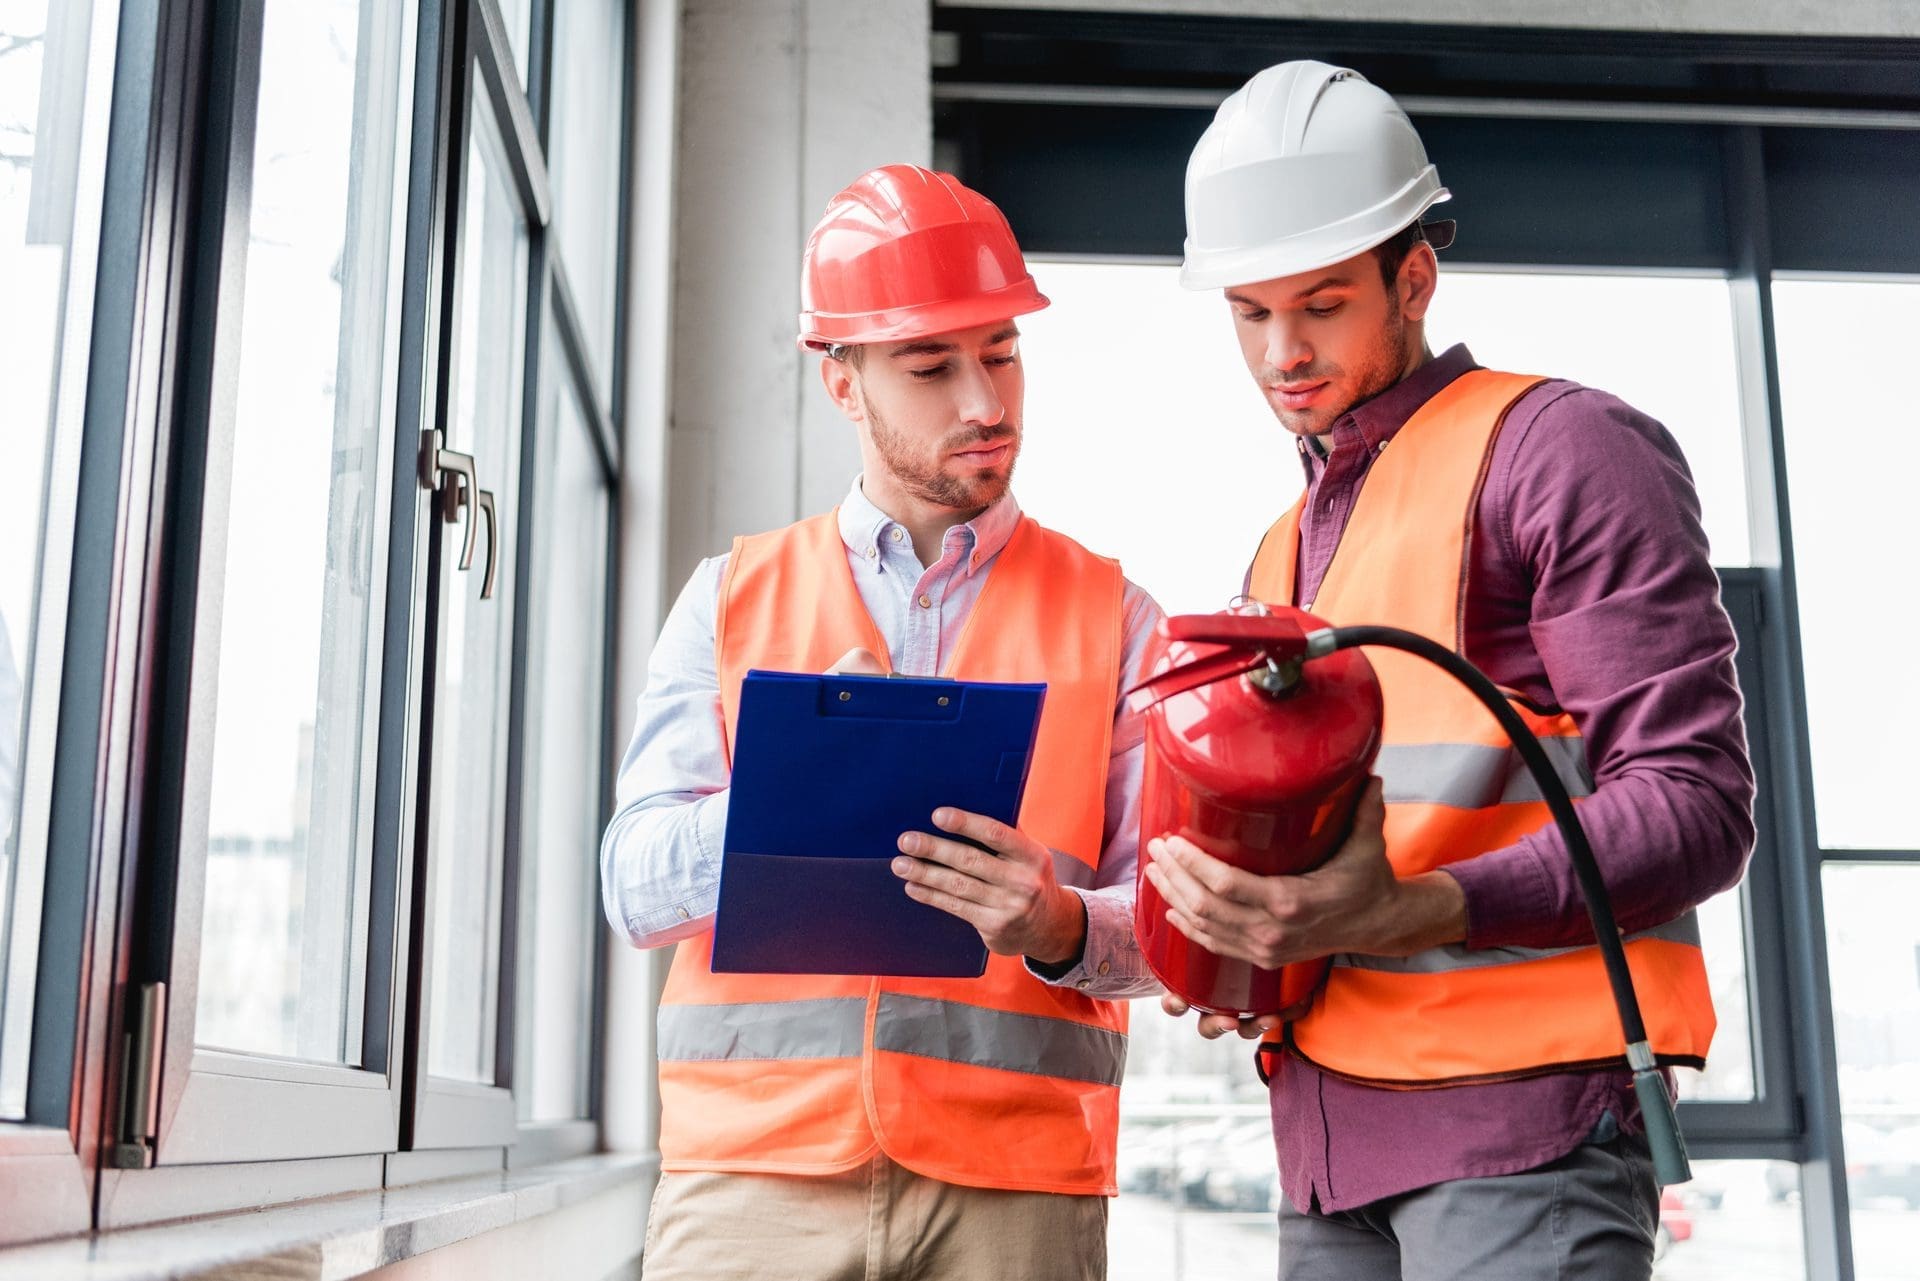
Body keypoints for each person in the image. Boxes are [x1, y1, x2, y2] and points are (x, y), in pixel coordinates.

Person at [1142, 61, 1755, 1279]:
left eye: (1321, 304)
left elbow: (1696, 806)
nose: (1283, 354)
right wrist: (1246, 944)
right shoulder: (1284, 546)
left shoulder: (1562, 451)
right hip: (1326, 1139)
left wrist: (1420, 907)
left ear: (1412, 276)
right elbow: (1348, 846)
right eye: (1249, 314)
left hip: (1519, 1132)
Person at [600, 164, 1162, 1281]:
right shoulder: (731, 597)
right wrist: (784, 796)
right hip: (752, 1183)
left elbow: (1171, 926)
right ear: (842, 381)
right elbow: (631, 887)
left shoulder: (1117, 615)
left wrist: (1055, 924)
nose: (985, 403)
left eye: (1001, 352)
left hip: (1018, 1192)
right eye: (930, 364)